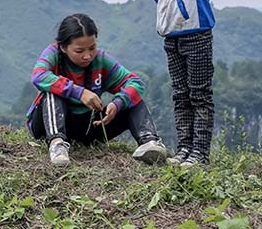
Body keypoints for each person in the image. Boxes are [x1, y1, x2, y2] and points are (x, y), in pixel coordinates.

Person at [123, 0, 220, 167]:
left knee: (199, 95)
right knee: (181, 96)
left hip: (197, 35)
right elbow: (164, 0)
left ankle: (199, 154)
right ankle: (184, 150)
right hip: (173, 36)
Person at [26, 14, 167, 167]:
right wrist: (79, 92)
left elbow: (135, 83)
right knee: (53, 91)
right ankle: (57, 144)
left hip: (88, 126)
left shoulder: (100, 60)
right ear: (63, 47)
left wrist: (118, 103)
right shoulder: (53, 54)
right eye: (79, 51)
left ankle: (149, 142)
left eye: (92, 48)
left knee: (133, 99)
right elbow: (38, 76)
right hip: (48, 124)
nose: (87, 56)